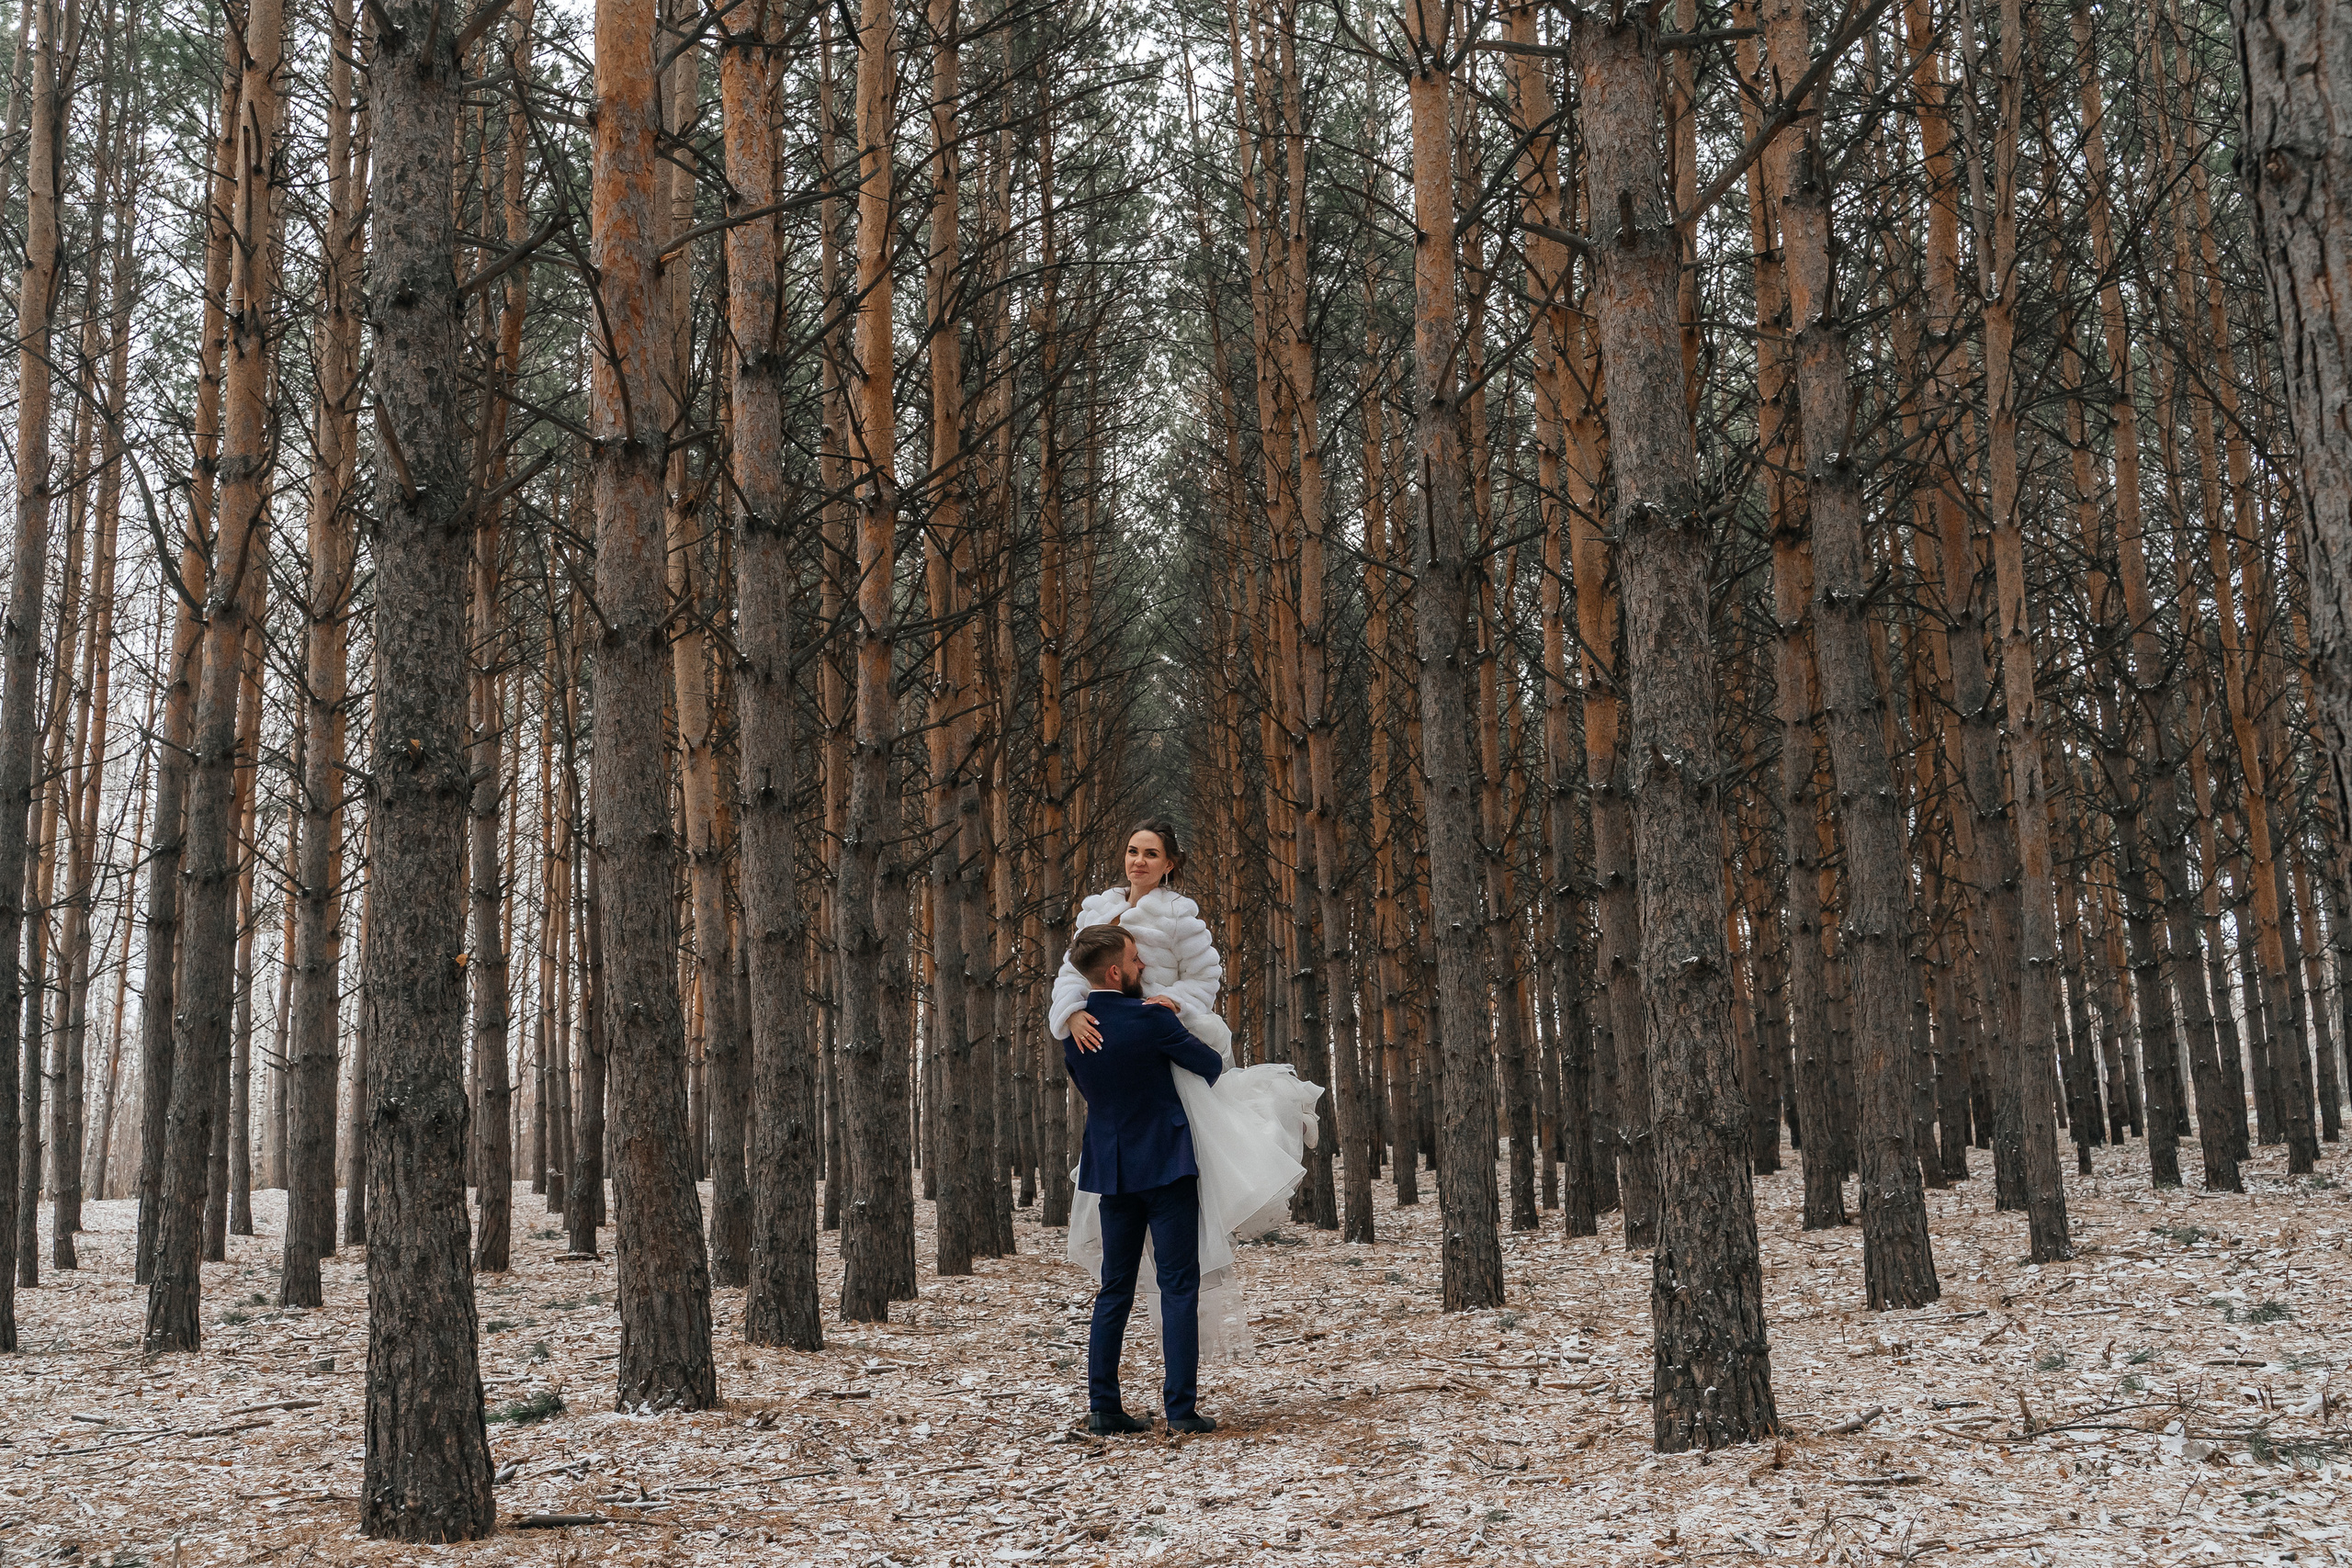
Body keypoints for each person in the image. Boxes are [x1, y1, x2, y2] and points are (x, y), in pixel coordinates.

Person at [1050, 820, 1321, 1363]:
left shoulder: (1181, 916)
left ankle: (1179, 1352)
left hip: (1165, 1043)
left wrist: (1174, 1002)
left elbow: (1204, 979)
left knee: (1190, 1184)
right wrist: (1071, 1014)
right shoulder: (1095, 910)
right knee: (1136, 1241)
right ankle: (1166, 1384)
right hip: (1113, 1047)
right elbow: (1070, 974)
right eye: (1131, 851)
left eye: (1151, 854)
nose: (1138, 861)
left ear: (1170, 862)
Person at [1059, 923, 1227, 1435]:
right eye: (1135, 959)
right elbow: (1210, 1063)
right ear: (1115, 971)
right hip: (1168, 1166)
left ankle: (1104, 1407)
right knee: (1178, 1285)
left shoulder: (1074, 1031)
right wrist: (1175, 1015)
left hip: (1112, 1170)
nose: (1144, 967)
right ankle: (1180, 1410)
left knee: (1115, 1289)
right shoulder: (1150, 1020)